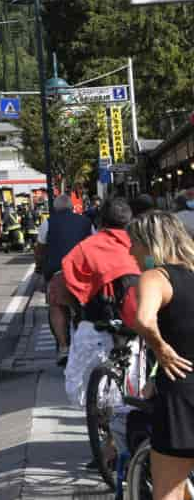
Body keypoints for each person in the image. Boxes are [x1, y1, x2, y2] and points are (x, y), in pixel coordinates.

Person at [127, 210, 194, 500]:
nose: (130, 251)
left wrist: (161, 348)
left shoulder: (156, 277)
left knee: (169, 491)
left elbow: (144, 319)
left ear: (148, 243)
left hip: (181, 396)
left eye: (133, 243)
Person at [60, 199, 141, 327]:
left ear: (101, 221)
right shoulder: (140, 245)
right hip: (139, 325)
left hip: (98, 325)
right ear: (129, 220)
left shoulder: (85, 247)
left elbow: (65, 280)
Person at [37, 194, 93, 365]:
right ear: (72, 207)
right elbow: (94, 243)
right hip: (82, 274)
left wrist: (40, 269)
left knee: (57, 308)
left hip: (59, 272)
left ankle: (63, 347)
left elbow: (40, 248)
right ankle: (85, 344)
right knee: (85, 308)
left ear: (55, 208)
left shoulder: (48, 223)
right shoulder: (86, 222)